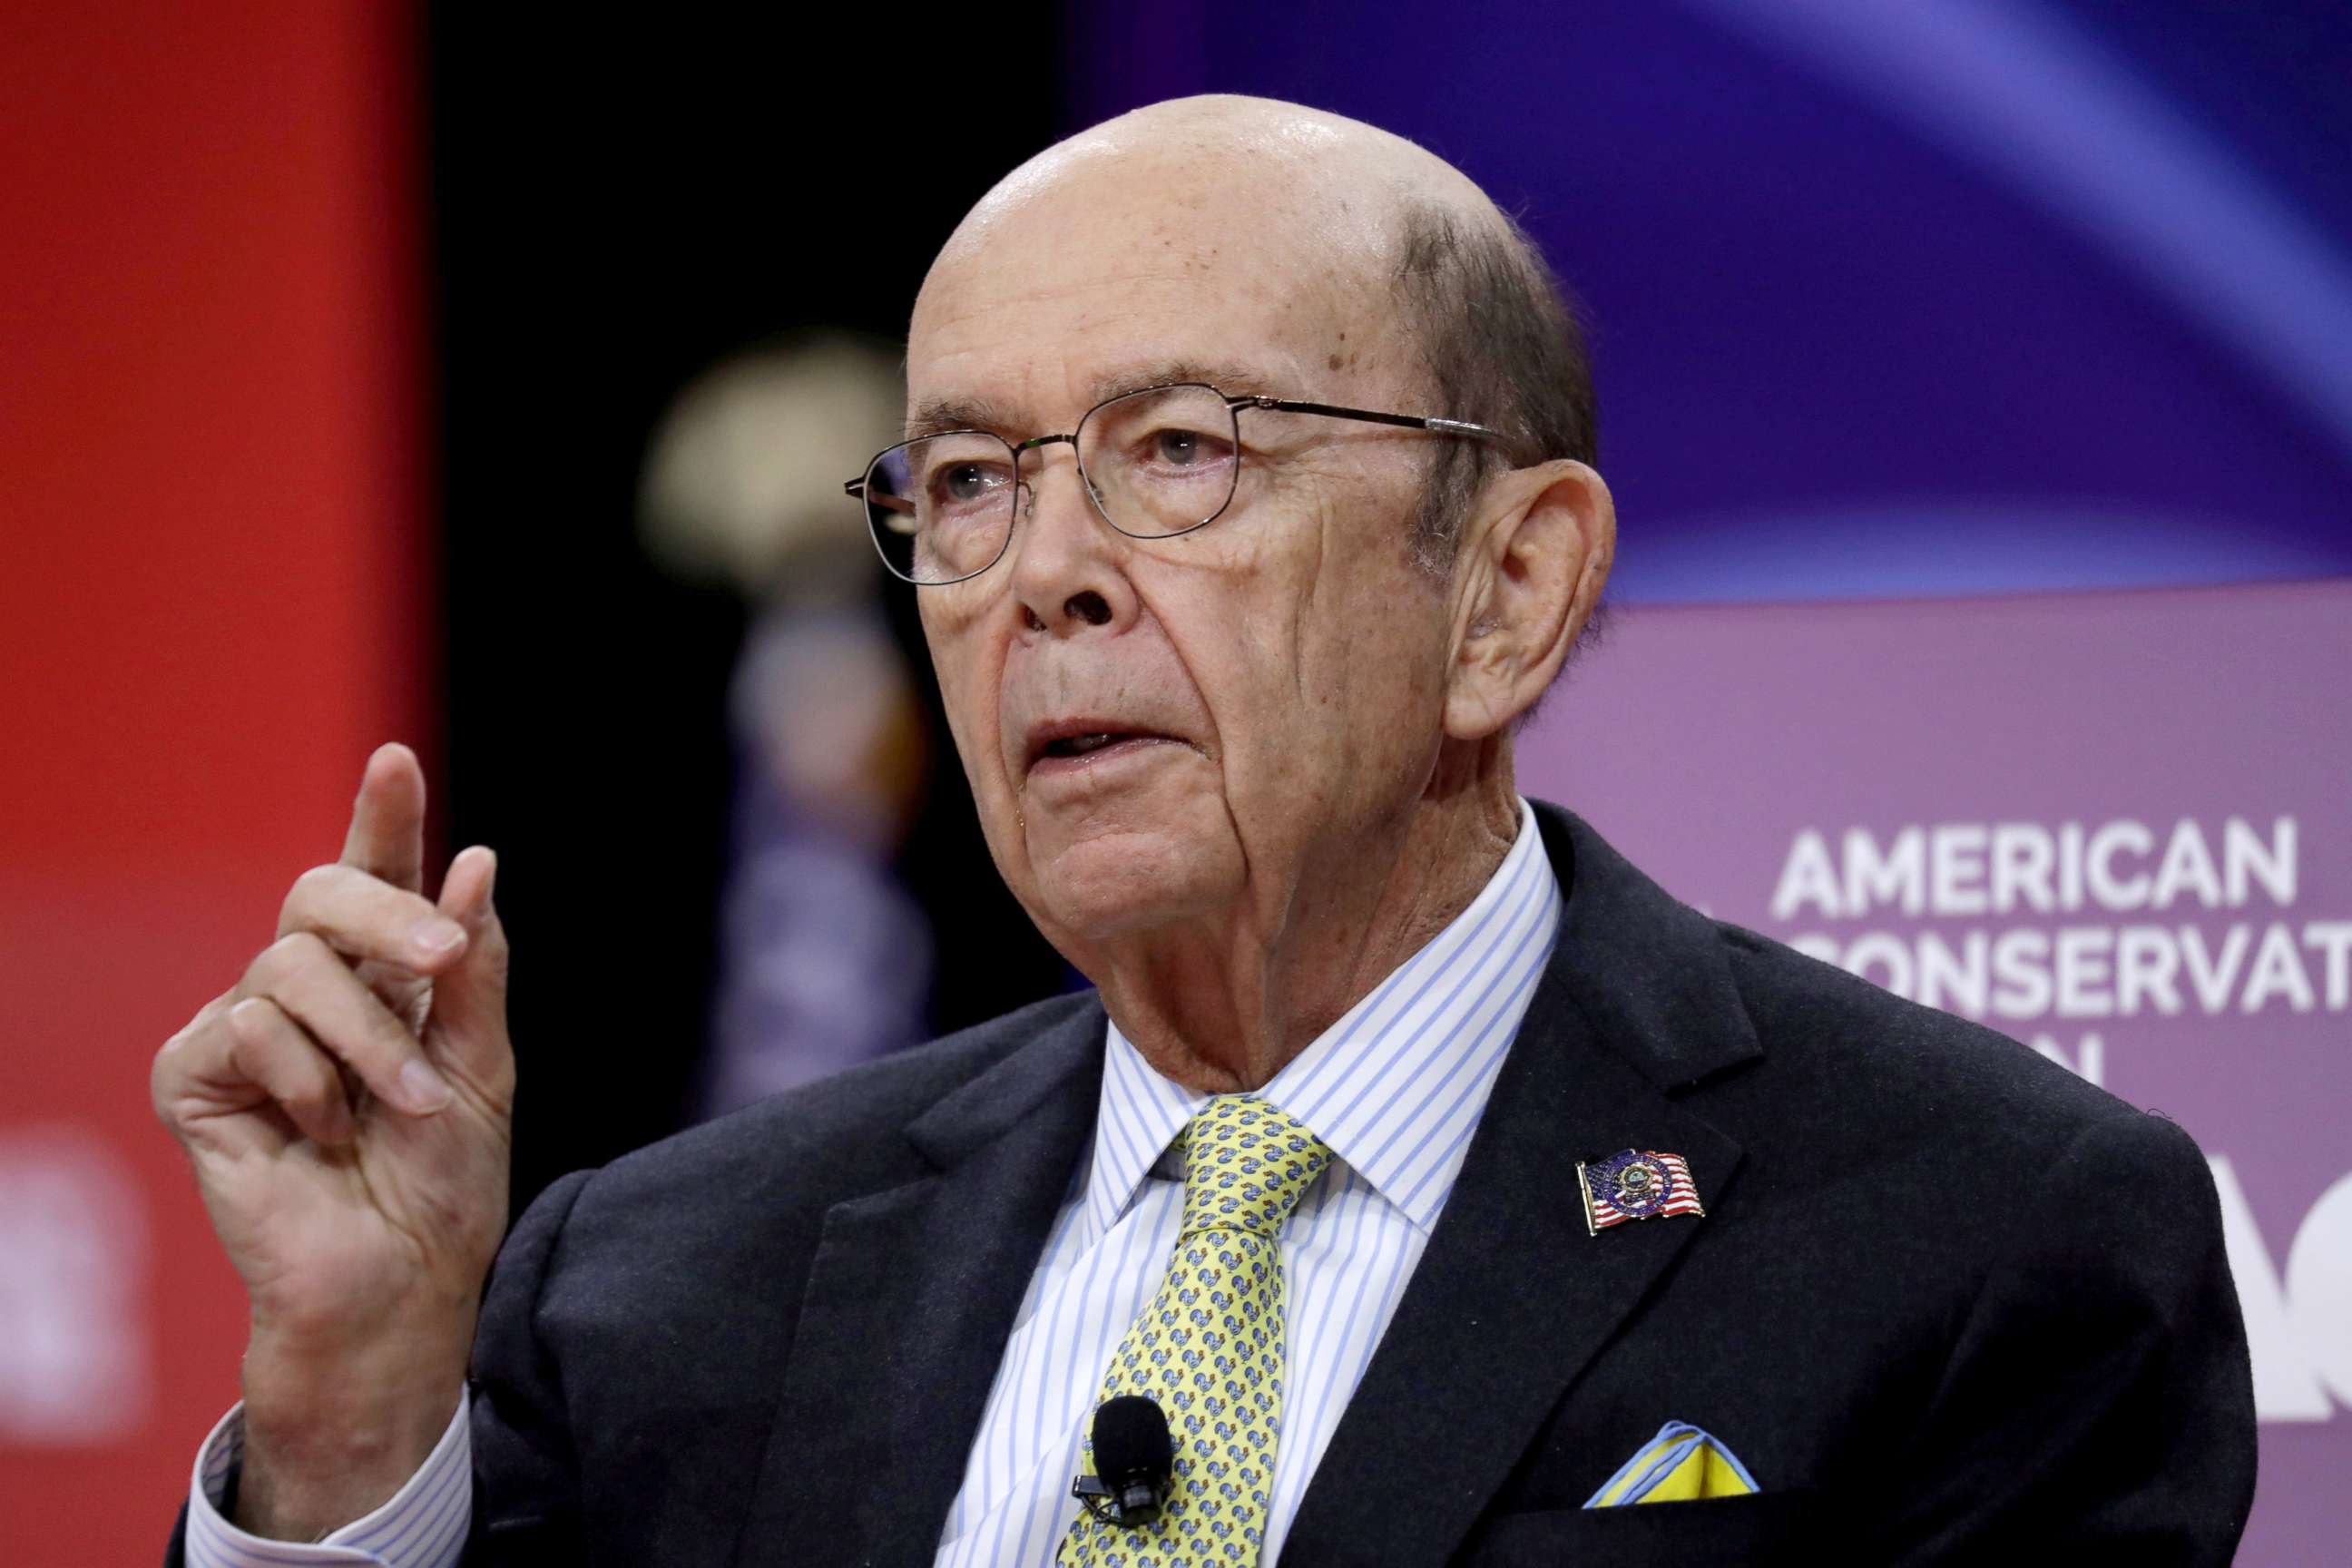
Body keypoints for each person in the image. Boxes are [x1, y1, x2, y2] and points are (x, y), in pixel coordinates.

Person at [153, 95, 2256, 1566]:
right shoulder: (659, 1290)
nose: (1042, 573)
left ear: (1505, 590)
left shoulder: (1983, 1248)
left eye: (1181, 450)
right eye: (966, 482)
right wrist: (350, 1415)